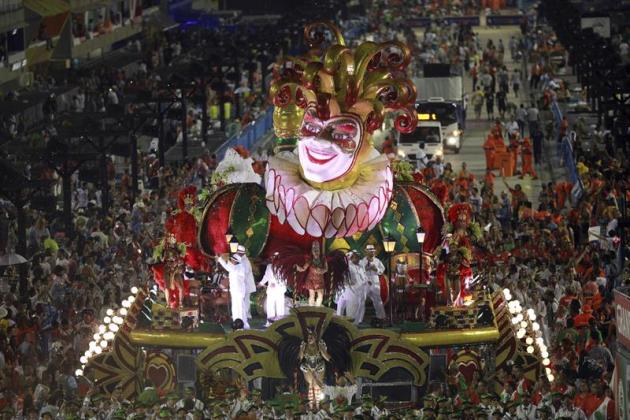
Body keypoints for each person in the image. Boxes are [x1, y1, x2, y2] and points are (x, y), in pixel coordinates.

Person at [216, 254, 249, 329]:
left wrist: (220, 259)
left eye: (232, 260)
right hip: (235, 291)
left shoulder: (238, 268)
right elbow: (229, 267)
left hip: (239, 291)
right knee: (236, 308)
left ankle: (241, 324)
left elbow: (228, 267)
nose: (231, 261)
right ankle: (237, 323)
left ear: (235, 261)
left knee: (240, 308)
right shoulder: (235, 268)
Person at [359, 245, 386, 324]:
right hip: (365, 282)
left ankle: (381, 317)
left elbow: (382, 270)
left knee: (378, 300)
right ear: (366, 251)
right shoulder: (362, 261)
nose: (372, 252)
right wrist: (366, 269)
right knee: (362, 300)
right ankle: (359, 319)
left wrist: (376, 269)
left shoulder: (377, 261)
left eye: (373, 251)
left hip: (375, 281)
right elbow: (359, 272)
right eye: (370, 251)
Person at [336, 251, 365, 325]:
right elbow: (346, 279)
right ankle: (345, 325)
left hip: (357, 291)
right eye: (356, 257)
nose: (358, 259)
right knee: (349, 310)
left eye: (358, 257)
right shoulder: (348, 266)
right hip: (350, 291)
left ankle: (352, 325)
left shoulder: (359, 267)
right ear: (351, 258)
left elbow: (363, 278)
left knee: (356, 309)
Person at [296, 241, 328, 306]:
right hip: (311, 280)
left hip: (320, 280)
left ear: (319, 251)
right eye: (314, 251)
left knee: (320, 296)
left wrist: (321, 271)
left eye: (317, 250)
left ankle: (317, 309)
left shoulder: (323, 259)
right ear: (312, 252)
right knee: (312, 295)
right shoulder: (310, 260)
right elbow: (303, 269)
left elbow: (326, 269)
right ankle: (311, 309)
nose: (316, 252)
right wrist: (297, 267)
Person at [258, 252, 286, 326]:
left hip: (279, 290)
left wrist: (276, 284)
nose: (273, 259)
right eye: (273, 257)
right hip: (271, 290)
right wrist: (261, 283)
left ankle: (280, 323)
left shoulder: (283, 267)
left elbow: (285, 278)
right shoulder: (269, 266)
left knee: (280, 306)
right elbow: (266, 276)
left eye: (275, 257)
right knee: (270, 306)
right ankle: (270, 323)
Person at [236, 245, 256, 321]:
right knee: (243, 299)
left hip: (246, 284)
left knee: (246, 299)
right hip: (242, 284)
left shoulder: (245, 261)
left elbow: (245, 272)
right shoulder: (240, 259)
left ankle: (246, 314)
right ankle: (244, 314)